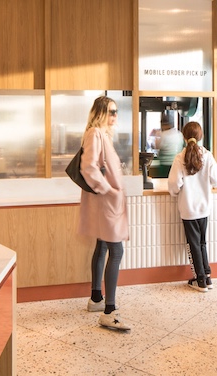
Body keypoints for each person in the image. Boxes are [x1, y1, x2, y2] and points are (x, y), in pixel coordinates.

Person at [78, 95, 131, 331]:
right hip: (106, 202)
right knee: (116, 250)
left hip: (107, 203)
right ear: (100, 112)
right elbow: (87, 166)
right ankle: (109, 311)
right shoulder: (95, 134)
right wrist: (108, 190)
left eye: (116, 111)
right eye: (110, 111)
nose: (114, 116)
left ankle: (96, 299)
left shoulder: (102, 135)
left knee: (101, 247)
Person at [168, 122, 217, 292]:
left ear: (184, 137)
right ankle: (207, 277)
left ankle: (200, 280)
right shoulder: (207, 155)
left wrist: (174, 192)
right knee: (202, 243)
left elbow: (174, 184)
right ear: (201, 136)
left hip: (188, 208)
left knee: (194, 244)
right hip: (204, 207)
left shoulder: (180, 157)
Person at [156, 111, 184, 177]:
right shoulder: (179, 134)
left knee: (164, 182)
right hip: (177, 163)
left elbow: (158, 146)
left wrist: (156, 137)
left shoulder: (163, 135)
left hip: (165, 165)